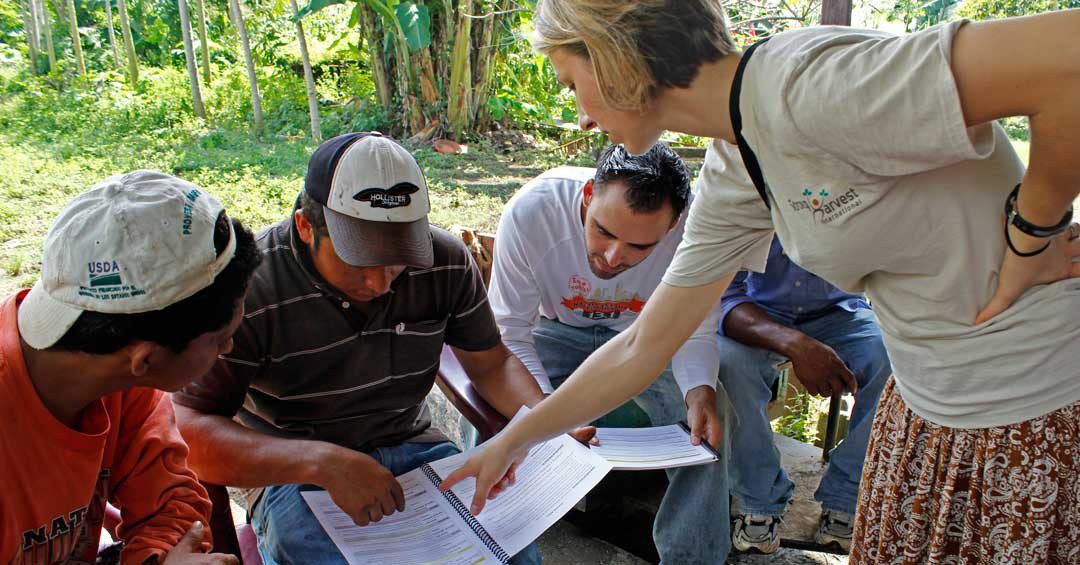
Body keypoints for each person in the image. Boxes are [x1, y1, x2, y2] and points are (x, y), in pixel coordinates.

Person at [440, 3, 1080, 563]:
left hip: (1027, 404)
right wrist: (515, 441)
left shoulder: (809, 84)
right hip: (924, 414)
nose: (579, 116)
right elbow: (644, 346)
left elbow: (1068, 59)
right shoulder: (737, 163)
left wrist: (1035, 229)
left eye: (573, 83)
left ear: (614, 61)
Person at [173, 132, 585, 565]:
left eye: (397, 260)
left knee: (511, 554)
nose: (381, 283)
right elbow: (188, 426)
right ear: (305, 226)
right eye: (359, 261)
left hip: (413, 447)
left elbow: (492, 365)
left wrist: (549, 421)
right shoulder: (253, 287)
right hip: (290, 470)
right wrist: (322, 463)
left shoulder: (442, 261)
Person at [1, 170, 261, 564]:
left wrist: (154, 558)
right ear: (147, 358)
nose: (229, 348)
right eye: (220, 339)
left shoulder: (116, 361)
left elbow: (174, 506)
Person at [488, 142, 730, 562]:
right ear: (586, 197)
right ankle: (493, 542)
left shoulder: (699, 234)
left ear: (672, 228)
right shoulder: (533, 212)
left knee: (711, 422)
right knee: (496, 405)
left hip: (648, 342)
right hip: (554, 333)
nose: (613, 257)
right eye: (603, 230)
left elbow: (694, 334)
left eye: (639, 247)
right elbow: (510, 334)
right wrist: (544, 412)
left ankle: (692, 557)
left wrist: (699, 393)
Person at [718, 236, 891, 553]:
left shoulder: (851, 197)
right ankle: (759, 497)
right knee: (729, 364)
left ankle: (846, 495)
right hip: (757, 314)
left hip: (838, 311)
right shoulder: (747, 198)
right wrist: (797, 345)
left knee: (890, 359)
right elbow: (725, 299)